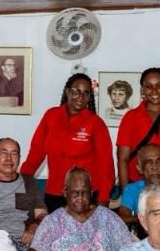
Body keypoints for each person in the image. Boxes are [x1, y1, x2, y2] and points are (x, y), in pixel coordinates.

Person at [21, 73, 114, 212]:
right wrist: (21, 182)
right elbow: (36, 152)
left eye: (85, 93)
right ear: (67, 91)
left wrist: (104, 199)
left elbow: (106, 165)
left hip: (84, 196)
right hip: (54, 193)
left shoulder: (96, 123)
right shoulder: (51, 116)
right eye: (76, 92)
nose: (80, 98)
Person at [0, 138, 47, 251]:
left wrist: (34, 226)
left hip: (22, 242)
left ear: (19, 159)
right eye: (4, 153)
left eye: (14, 154)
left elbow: (42, 214)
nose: (9, 158)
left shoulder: (28, 182)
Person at [116, 143, 160, 230]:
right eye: (149, 163)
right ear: (139, 168)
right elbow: (122, 217)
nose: (154, 167)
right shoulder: (132, 189)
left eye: (159, 162)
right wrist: (147, 218)